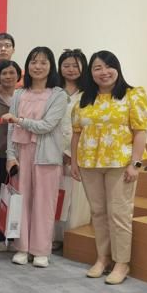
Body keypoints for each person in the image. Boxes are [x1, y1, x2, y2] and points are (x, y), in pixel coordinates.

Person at [71, 50, 147, 285]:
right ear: (91, 72)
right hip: (89, 163)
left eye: (108, 66)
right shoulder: (84, 99)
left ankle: (122, 262)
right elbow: (76, 134)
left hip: (121, 163)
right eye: (97, 68)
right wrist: (74, 162)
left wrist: (135, 164)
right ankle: (102, 258)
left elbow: (140, 131)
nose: (103, 72)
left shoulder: (133, 95)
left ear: (117, 68)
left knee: (119, 213)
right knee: (98, 213)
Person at [3, 47, 67, 268]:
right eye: (33, 62)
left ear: (51, 66)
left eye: (43, 62)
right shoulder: (19, 94)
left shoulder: (58, 95)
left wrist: (19, 121)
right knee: (21, 201)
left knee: (44, 204)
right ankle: (22, 247)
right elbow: (10, 129)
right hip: (21, 154)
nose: (37, 66)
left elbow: (47, 125)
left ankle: (41, 250)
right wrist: (10, 156)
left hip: (46, 156)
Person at [53, 49, 90, 249]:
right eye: (66, 65)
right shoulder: (53, 90)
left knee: (75, 198)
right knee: (55, 195)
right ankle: (54, 237)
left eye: (75, 65)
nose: (71, 69)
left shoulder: (90, 94)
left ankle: (72, 238)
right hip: (53, 151)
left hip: (79, 153)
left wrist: (71, 153)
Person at [0, 60, 22, 251]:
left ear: (18, 75)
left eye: (12, 73)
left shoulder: (23, 96)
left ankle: (15, 236)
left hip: (20, 154)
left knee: (17, 197)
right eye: (4, 73)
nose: (8, 77)